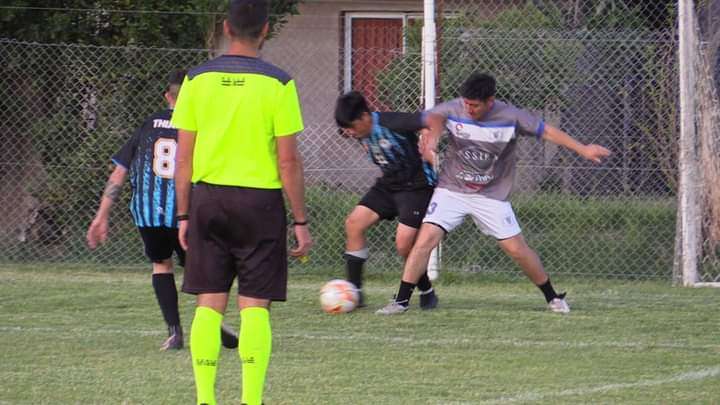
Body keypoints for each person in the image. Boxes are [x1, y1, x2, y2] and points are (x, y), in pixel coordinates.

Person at [376, 72, 611, 315]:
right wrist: (432, 137)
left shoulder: (511, 117)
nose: (468, 109)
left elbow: (548, 132)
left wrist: (583, 149)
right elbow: (434, 117)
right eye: (466, 103)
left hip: (491, 195)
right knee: (424, 241)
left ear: (490, 101)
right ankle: (401, 301)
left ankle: (553, 297)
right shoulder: (455, 108)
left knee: (516, 250)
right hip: (451, 190)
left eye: (475, 106)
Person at [171, 1, 312, 404]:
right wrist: (300, 220)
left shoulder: (196, 79)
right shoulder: (279, 83)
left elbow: (184, 157)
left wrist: (183, 213)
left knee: (209, 303)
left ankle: (205, 399)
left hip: (207, 199)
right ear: (265, 30)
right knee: (255, 307)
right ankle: (251, 400)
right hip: (259, 203)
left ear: (226, 28)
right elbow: (288, 160)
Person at [86, 70, 238, 351]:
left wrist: (101, 215)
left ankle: (174, 333)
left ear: (167, 96)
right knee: (201, 270)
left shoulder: (146, 125)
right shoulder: (198, 127)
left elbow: (119, 174)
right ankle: (210, 321)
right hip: (185, 213)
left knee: (161, 264)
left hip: (147, 213)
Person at [334, 91, 439, 310]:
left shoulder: (392, 122)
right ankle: (355, 293)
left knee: (404, 244)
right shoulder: (355, 130)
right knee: (354, 224)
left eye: (352, 127)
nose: (350, 133)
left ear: (365, 116)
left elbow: (430, 120)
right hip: (388, 185)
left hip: (417, 187)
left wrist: (429, 142)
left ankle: (426, 291)